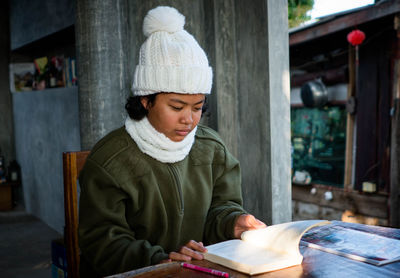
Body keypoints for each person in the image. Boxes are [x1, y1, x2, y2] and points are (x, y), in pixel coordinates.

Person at [78, 6, 266, 277]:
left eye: (197, 106)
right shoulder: (110, 161)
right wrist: (161, 260)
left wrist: (232, 222)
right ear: (146, 101)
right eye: (177, 107)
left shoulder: (211, 149)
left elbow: (220, 207)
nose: (189, 120)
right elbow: (103, 243)